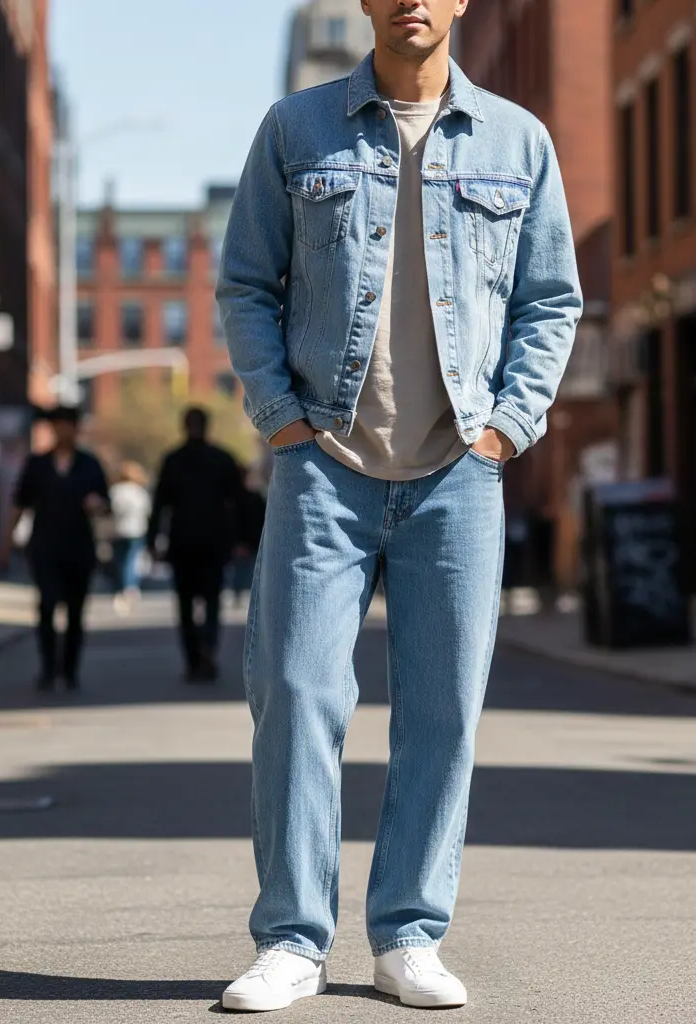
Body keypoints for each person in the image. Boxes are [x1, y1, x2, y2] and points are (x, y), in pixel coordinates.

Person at [216, 0, 581, 1012]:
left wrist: (509, 424)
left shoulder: (518, 138)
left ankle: (409, 934)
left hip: (458, 471)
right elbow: (246, 282)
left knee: (440, 713)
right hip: (322, 462)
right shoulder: (296, 130)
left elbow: (551, 299)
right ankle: (291, 939)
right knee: (293, 694)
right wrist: (281, 416)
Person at [0, 406, 110, 691]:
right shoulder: (37, 464)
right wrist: (6, 541)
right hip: (44, 547)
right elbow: (20, 504)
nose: (64, 431)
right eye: (59, 425)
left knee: (75, 612)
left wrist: (97, 505)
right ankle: (48, 667)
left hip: (79, 548)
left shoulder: (89, 464)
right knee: (47, 604)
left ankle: (70, 669)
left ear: (76, 429)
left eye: (69, 426)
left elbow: (105, 504)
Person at [147, 407, 243, 683]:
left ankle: (197, 657)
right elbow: (237, 503)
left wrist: (153, 540)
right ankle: (204, 652)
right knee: (208, 602)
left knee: (190, 604)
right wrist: (241, 539)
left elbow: (159, 505)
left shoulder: (174, 460)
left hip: (189, 543)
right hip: (207, 543)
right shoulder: (220, 459)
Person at [109, 461, 152, 615]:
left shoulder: (115, 490)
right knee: (132, 559)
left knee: (119, 560)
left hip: (117, 531)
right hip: (136, 530)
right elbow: (147, 510)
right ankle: (130, 587)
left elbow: (109, 510)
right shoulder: (138, 491)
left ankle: (121, 587)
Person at [230, 466, 266, 607]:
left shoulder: (252, 497)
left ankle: (245, 596)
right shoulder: (241, 498)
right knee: (245, 571)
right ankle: (241, 596)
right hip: (249, 541)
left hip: (252, 541)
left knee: (248, 571)